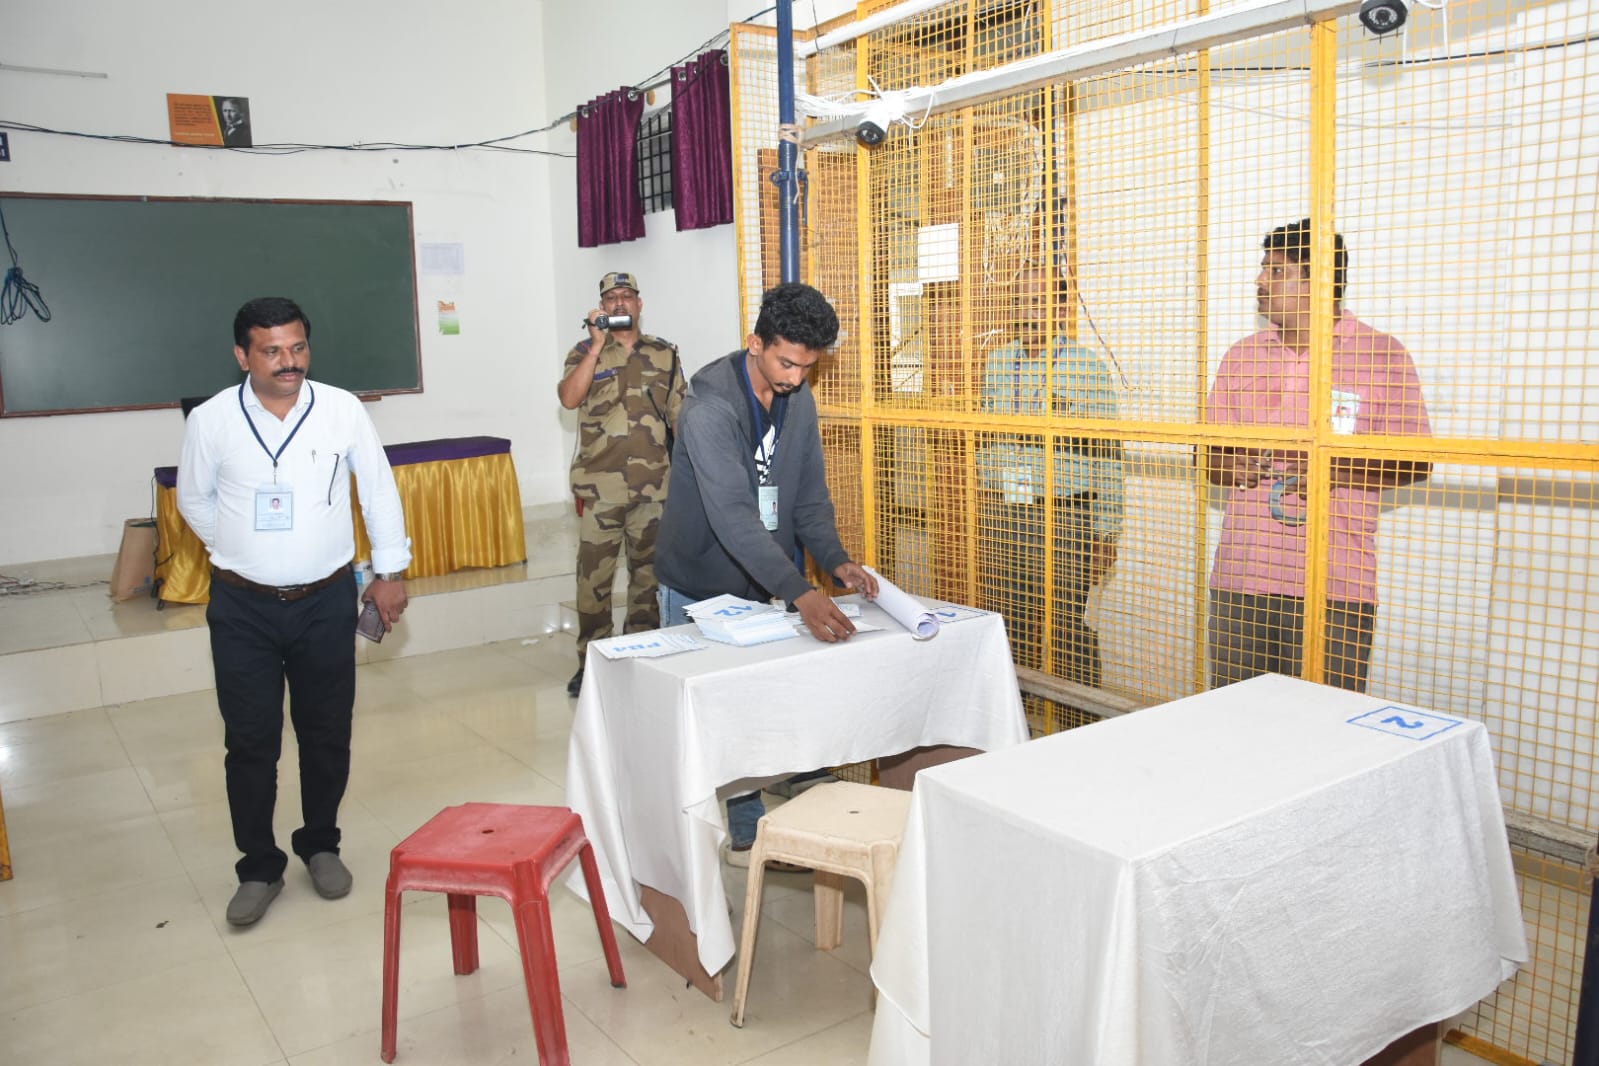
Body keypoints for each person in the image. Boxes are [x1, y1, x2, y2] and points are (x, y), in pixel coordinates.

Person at [178, 296, 411, 927]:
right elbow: (195, 500)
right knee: (250, 741)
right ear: (242, 355)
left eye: (298, 347)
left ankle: (321, 843)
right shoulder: (212, 419)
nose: (289, 362)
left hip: (326, 600)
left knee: (326, 732)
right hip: (242, 608)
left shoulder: (340, 409)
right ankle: (258, 864)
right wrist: (236, 548)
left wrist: (389, 572)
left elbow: (379, 491)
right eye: (273, 350)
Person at [655, 281, 879, 862]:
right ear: (754, 342)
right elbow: (731, 516)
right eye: (786, 362)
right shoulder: (708, 408)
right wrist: (800, 592)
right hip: (701, 585)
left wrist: (834, 560)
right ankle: (745, 828)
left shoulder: (796, 396)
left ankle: (794, 785)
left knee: (772, 695)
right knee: (720, 717)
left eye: (808, 366)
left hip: (765, 577)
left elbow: (807, 495)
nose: (796, 378)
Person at [1205, 219, 1431, 692]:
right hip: (1240, 578)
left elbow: (1417, 459)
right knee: (1229, 727)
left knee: (1324, 732)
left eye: (1277, 270)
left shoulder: (1382, 354)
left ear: (1320, 280)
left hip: (1335, 584)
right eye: (1263, 268)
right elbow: (1207, 456)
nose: (1260, 281)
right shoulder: (1241, 356)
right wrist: (1230, 464)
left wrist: (1335, 467)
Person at [976, 265, 1124, 686]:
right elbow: (986, 433)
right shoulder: (999, 362)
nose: (1028, 311)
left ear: (1060, 307)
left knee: (1065, 628)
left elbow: (1109, 455)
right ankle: (1015, 717)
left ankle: (1079, 723)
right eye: (1020, 300)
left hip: (1064, 516)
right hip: (1008, 511)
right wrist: (990, 489)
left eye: (1039, 301)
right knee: (1007, 617)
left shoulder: (1086, 368)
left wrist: (1106, 531)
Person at [558, 271, 685, 697]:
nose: (618, 304)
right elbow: (569, 398)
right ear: (601, 306)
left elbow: (680, 417)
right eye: (610, 298)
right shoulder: (584, 351)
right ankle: (590, 663)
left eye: (626, 296)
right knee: (592, 584)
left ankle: (641, 656)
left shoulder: (665, 354)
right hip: (600, 490)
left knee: (647, 580)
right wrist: (596, 347)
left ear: (639, 303)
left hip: (653, 489)